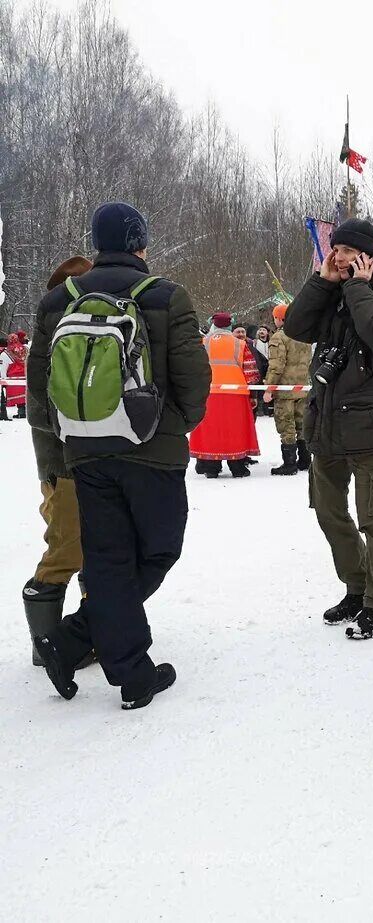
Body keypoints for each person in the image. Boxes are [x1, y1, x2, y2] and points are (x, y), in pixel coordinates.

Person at [27, 201, 211, 709]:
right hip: (152, 449)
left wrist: (68, 440)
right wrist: (178, 427)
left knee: (107, 559)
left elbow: (40, 388)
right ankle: (77, 642)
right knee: (159, 550)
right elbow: (195, 382)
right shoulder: (167, 296)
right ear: (139, 244)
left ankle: (120, 669)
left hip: (85, 450)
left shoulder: (56, 302)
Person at [285, 218, 373, 640]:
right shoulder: (331, 292)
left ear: (368, 257)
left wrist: (357, 287)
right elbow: (295, 326)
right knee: (328, 512)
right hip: (326, 425)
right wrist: (322, 284)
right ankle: (357, 587)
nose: (336, 257)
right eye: (334, 249)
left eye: (345, 250)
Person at [21, 257, 92, 668]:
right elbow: (38, 408)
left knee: (95, 548)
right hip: (62, 465)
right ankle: (45, 644)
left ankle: (83, 635)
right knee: (65, 548)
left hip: (83, 462)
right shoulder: (52, 333)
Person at [189, 312, 261, 477]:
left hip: (209, 392)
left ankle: (211, 467)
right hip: (236, 392)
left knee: (211, 430)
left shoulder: (203, 343)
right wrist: (253, 395)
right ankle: (237, 466)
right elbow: (251, 372)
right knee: (234, 430)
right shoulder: (240, 344)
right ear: (230, 325)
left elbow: (193, 368)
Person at [263, 300, 312, 476]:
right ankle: (305, 460)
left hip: (284, 390)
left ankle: (289, 463)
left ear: (279, 318)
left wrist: (269, 388)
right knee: (302, 423)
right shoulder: (304, 335)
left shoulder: (279, 337)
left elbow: (276, 365)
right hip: (302, 387)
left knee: (286, 425)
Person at [2, 331, 28, 418]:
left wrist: (3, 378)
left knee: (18, 397)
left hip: (13, 378)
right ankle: (23, 411)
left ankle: (21, 412)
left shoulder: (7, 352)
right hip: (24, 377)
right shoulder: (24, 349)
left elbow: (4, 366)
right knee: (24, 396)